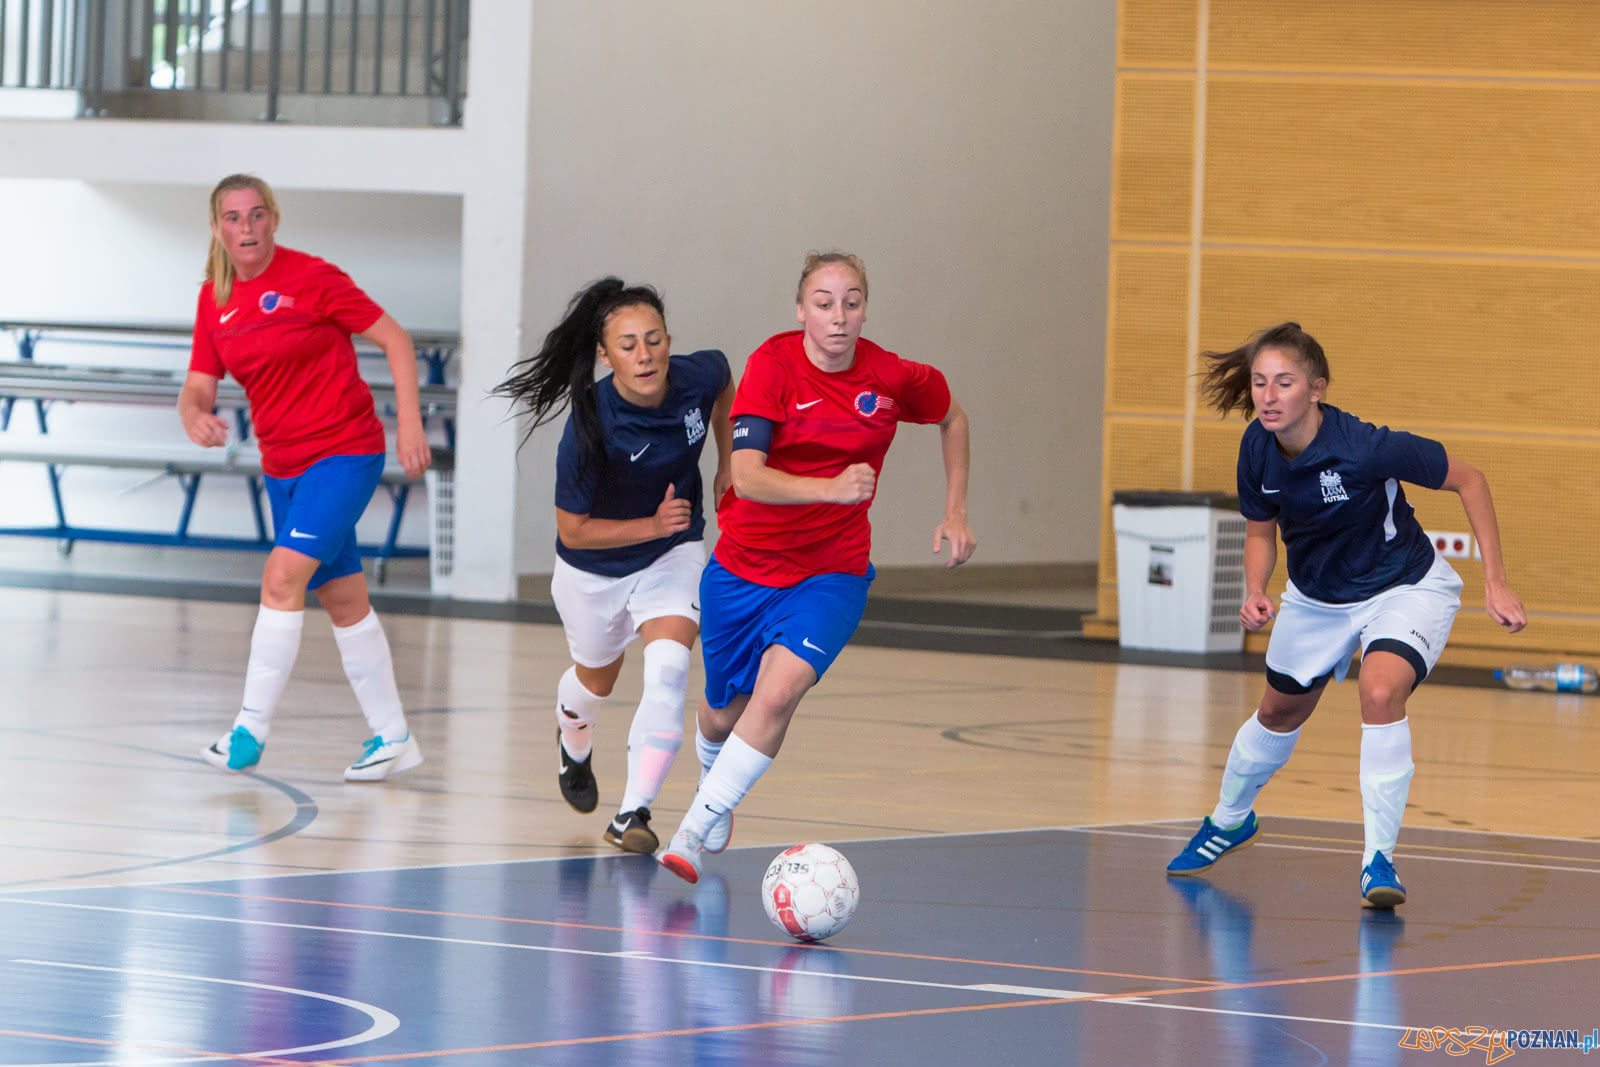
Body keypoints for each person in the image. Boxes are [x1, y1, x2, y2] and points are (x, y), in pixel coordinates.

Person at [1165, 322, 1526, 907]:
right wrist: (1256, 586)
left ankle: (1378, 862)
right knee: (1278, 711)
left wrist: (1497, 582)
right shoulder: (1257, 447)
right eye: (1260, 383)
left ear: (1317, 389)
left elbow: (1471, 480)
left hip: (1403, 586)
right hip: (1315, 598)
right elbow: (1261, 531)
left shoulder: (1365, 447)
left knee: (1381, 694)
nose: (1268, 395)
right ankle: (1230, 820)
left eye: (1284, 382)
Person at [659, 251, 976, 883]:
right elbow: (746, 478)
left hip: (831, 572)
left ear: (865, 309)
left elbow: (952, 416)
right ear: (800, 310)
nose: (838, 317)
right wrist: (830, 488)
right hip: (743, 568)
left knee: (777, 695)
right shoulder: (771, 367)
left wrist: (956, 510)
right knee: (724, 712)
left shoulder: (891, 375)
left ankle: (695, 826)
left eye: (851, 302)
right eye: (824, 303)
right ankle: (713, 771)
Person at [179, 173, 432, 781]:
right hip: (283, 466)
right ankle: (394, 736)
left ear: (274, 219)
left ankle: (249, 729)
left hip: (345, 452)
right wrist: (194, 415)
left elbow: (395, 339)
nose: (247, 227)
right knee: (342, 598)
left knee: (280, 577)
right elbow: (199, 383)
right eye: (234, 217)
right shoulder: (214, 299)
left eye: (257, 214)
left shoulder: (312, 277)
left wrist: (410, 424)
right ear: (217, 228)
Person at [494, 278, 733, 854]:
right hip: (592, 568)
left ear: (669, 341)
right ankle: (573, 741)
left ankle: (632, 813)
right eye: (627, 344)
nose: (644, 354)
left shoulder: (698, 377)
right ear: (606, 355)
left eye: (653, 340)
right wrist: (650, 523)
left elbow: (726, 384)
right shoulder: (591, 425)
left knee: (671, 668)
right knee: (595, 680)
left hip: (672, 553)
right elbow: (572, 528)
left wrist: (729, 462)